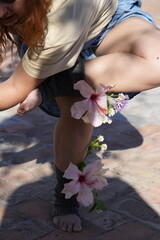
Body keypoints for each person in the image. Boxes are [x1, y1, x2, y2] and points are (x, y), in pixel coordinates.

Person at [0, 0, 160, 232]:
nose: (1, 12)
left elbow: (15, 88)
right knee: (78, 113)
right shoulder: (49, 33)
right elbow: (14, 89)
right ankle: (67, 192)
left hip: (107, 23)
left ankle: (52, 86)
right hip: (45, 34)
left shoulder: (60, 24)